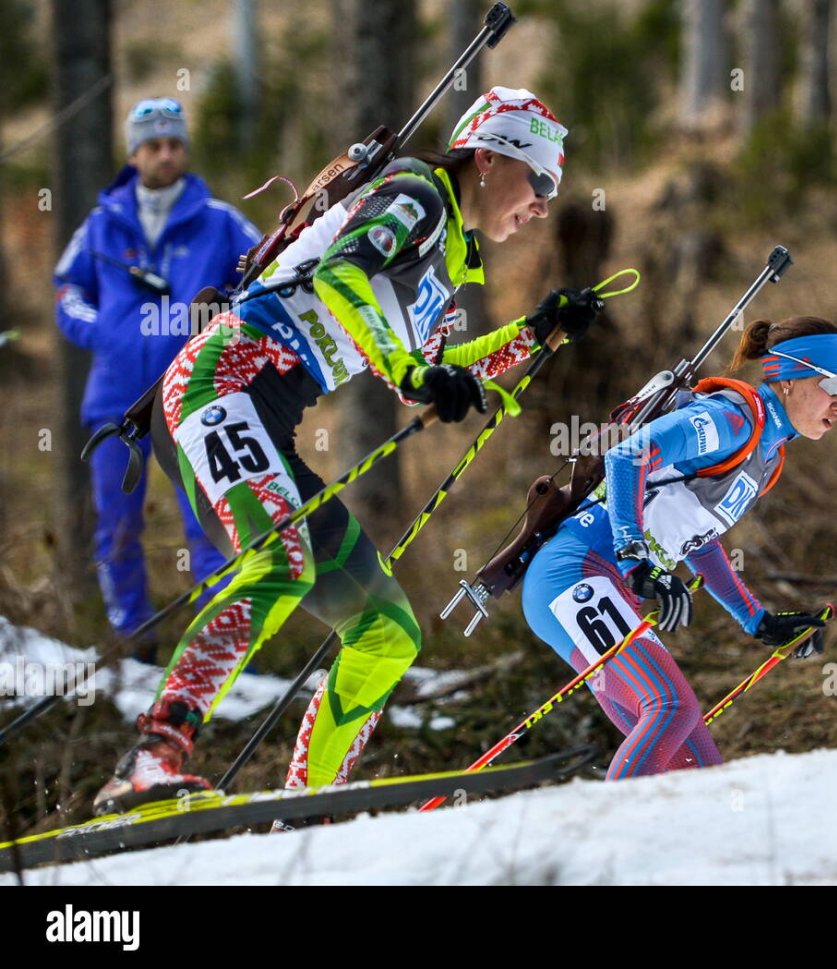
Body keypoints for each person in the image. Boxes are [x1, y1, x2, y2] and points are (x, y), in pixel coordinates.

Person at [93, 86, 600, 814]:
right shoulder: (417, 194)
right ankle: (149, 760)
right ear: (488, 159)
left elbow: (431, 369)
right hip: (218, 386)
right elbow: (342, 276)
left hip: (265, 418)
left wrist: (538, 330)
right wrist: (412, 370)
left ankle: (307, 808)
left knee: (387, 633)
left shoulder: (448, 256)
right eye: (541, 179)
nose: (544, 204)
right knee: (282, 561)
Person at [521, 317, 837, 779]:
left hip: (611, 585)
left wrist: (756, 619)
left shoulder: (769, 456)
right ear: (789, 376)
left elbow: (695, 537)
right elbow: (627, 455)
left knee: (694, 769)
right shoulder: (733, 419)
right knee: (670, 707)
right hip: (576, 570)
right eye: (832, 384)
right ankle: (598, 840)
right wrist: (634, 555)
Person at [54, 98, 261, 662]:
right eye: (153, 145)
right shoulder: (100, 225)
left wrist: (227, 330)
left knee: (209, 521)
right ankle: (134, 640)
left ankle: (216, 647)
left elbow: (267, 273)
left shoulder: (220, 220)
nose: (165, 154)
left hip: (195, 398)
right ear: (133, 153)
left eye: (174, 144)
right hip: (115, 405)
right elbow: (66, 291)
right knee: (116, 528)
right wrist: (107, 331)